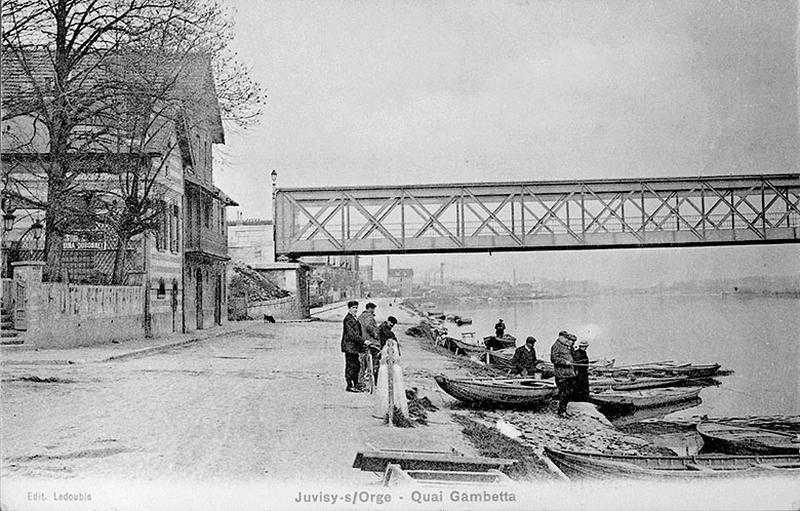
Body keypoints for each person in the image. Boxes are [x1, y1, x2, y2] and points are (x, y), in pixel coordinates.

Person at [341, 300, 365, 392]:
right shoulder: (348, 319)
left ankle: (355, 384)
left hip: (354, 347)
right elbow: (352, 335)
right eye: (353, 308)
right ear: (349, 309)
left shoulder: (354, 318)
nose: (355, 309)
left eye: (356, 308)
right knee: (350, 366)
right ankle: (349, 385)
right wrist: (363, 341)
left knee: (357, 365)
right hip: (349, 347)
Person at [550, 330, 576, 415]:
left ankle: (563, 410)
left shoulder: (564, 346)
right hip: (561, 374)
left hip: (568, 374)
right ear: (560, 337)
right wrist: (565, 362)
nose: (566, 339)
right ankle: (561, 411)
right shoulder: (556, 346)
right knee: (564, 393)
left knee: (568, 393)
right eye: (565, 338)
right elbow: (554, 359)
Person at [357, 302, 379, 391]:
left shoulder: (360, 316)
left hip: (361, 342)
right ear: (370, 308)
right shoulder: (369, 316)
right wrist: (375, 334)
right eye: (373, 309)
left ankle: (360, 382)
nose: (374, 311)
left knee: (362, 364)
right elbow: (369, 326)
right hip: (368, 343)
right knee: (368, 363)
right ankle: (364, 383)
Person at [571, 337, 590, 401]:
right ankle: (580, 399)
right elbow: (576, 363)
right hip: (579, 373)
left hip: (584, 372)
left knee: (583, 386)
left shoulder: (583, 353)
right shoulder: (577, 353)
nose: (585, 348)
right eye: (584, 346)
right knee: (580, 386)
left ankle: (583, 398)